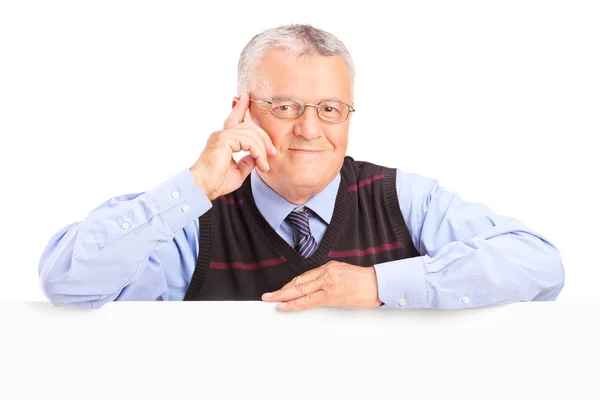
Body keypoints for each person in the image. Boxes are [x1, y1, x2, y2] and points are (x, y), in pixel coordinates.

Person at [38, 23, 565, 311]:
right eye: (285, 107)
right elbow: (67, 281)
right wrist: (196, 184)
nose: (311, 129)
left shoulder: (403, 199)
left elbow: (540, 265)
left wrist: (381, 284)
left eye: (330, 110)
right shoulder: (192, 218)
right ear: (242, 110)